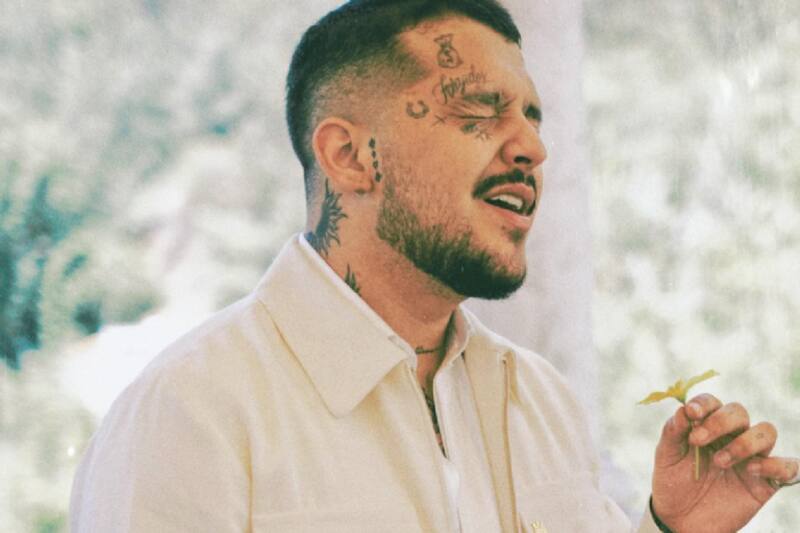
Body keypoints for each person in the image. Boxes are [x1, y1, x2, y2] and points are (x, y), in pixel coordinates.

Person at [70, 1, 798, 531]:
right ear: (350, 156)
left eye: (532, 117)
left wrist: (670, 531)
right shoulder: (190, 415)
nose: (532, 148)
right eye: (479, 111)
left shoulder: (539, 401)